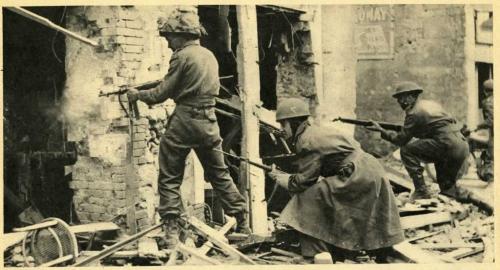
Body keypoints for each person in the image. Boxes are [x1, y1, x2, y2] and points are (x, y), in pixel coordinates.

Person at [127, 9, 249, 248]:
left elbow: (162, 94)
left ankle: (172, 232)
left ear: (181, 35)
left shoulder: (181, 56)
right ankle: (243, 221)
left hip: (184, 122)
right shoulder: (208, 56)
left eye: (170, 37)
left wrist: (137, 95)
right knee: (219, 174)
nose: (169, 43)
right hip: (209, 122)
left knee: (169, 177)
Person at [268, 98, 404, 263]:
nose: (282, 129)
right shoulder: (314, 132)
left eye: (284, 124)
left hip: (357, 175)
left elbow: (303, 182)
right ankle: (344, 250)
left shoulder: (308, 140)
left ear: (295, 123)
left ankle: (316, 254)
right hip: (366, 169)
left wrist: (281, 178)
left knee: (305, 200)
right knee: (333, 202)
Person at [367, 81, 470, 201]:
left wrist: (381, 130)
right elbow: (440, 125)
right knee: (447, 189)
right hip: (460, 145)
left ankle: (421, 190)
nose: (400, 102)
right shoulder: (430, 105)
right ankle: (478, 203)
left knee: (407, 150)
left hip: (446, 145)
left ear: (411, 96)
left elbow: (401, 140)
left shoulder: (413, 113)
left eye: (402, 98)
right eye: (399, 99)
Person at [475, 79, 494, 182]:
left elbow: (490, 121)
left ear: (485, 91)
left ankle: (491, 182)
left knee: (490, 157)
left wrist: (477, 126)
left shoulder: (488, 102)